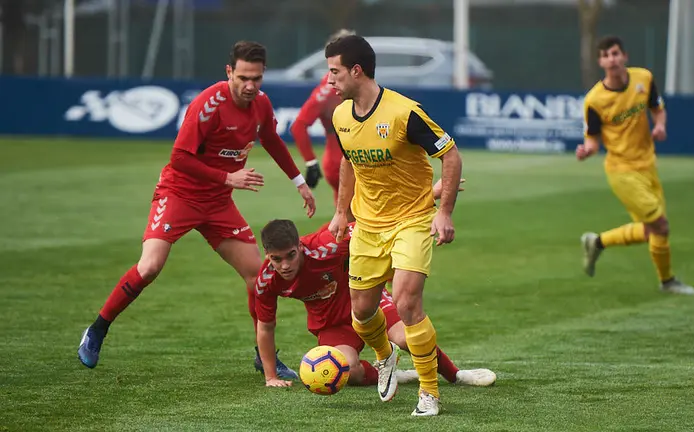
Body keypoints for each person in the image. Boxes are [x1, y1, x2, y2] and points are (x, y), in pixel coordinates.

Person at [77, 41, 317, 376]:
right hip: (179, 195)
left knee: (258, 274)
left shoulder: (260, 104)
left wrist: (298, 182)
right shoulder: (209, 104)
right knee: (149, 268)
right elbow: (179, 158)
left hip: (217, 203)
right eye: (244, 77)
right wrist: (227, 177)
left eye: (257, 78)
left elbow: (272, 140)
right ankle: (97, 330)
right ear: (229, 72)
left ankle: (264, 356)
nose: (250, 86)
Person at [325, 35, 464, 416]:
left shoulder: (404, 112)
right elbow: (347, 161)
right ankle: (385, 356)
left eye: (334, 71)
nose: (329, 80)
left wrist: (444, 210)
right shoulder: (340, 116)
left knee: (406, 301)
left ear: (356, 71)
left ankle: (429, 393)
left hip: (413, 220)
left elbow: (450, 154)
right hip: (367, 227)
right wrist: (341, 212)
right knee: (362, 313)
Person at [254, 189, 494, 390]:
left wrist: (431, 194)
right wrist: (270, 377)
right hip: (332, 324)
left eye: (291, 256)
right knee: (347, 370)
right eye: (277, 259)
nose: (285, 265)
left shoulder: (327, 245)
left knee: (405, 338)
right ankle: (390, 373)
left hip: (367, 300)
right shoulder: (266, 280)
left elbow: (378, 225)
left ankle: (456, 375)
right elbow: (265, 326)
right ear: (267, 255)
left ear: (299, 246)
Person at [577, 35, 694, 296]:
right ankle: (667, 282)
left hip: (648, 165)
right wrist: (587, 150)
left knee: (650, 231)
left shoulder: (643, 78)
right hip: (622, 171)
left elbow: (657, 108)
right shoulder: (595, 100)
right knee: (660, 225)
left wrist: (661, 125)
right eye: (607, 55)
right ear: (600, 62)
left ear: (625, 56)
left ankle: (597, 242)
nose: (612, 59)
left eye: (616, 53)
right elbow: (593, 140)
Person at [291, 29, 355, 204]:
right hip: (345, 163)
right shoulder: (331, 89)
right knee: (357, 221)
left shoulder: (336, 83)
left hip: (341, 161)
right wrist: (310, 162)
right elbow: (298, 126)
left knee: (345, 221)